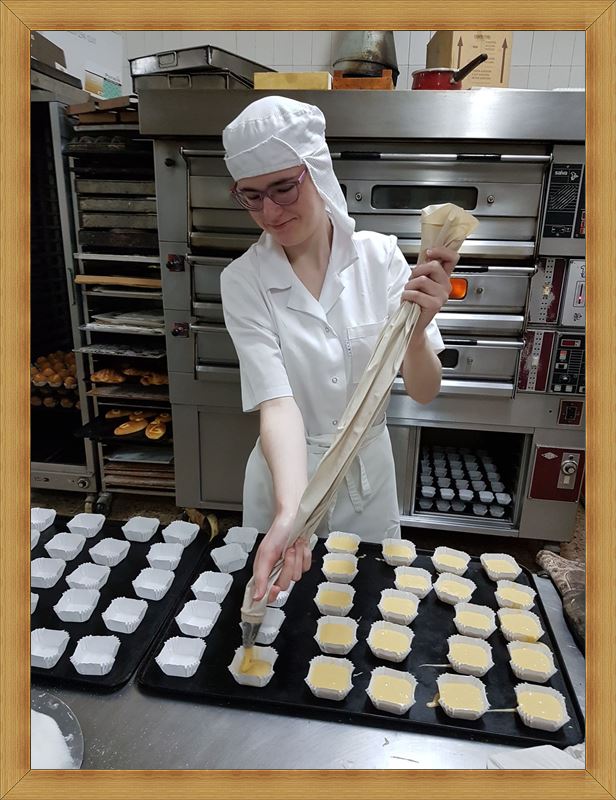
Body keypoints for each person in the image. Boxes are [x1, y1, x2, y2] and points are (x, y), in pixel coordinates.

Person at [220, 96, 459, 604]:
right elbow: (277, 404)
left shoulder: (380, 258)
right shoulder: (243, 280)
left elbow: (424, 391)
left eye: (283, 187)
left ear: (317, 171)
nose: (270, 211)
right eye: (252, 196)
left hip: (365, 479)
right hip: (284, 478)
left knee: (366, 608)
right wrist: (291, 512)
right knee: (281, 615)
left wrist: (417, 333)